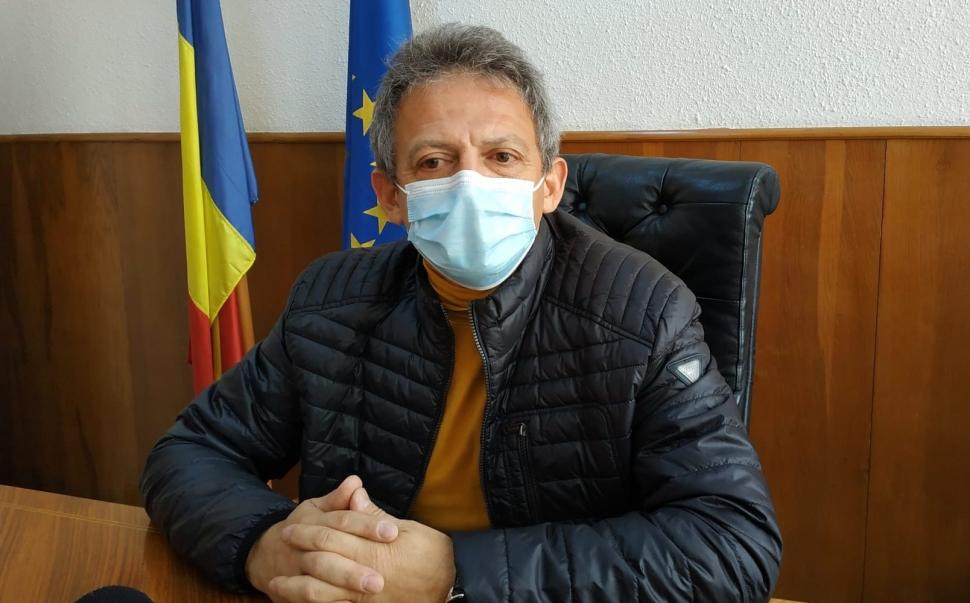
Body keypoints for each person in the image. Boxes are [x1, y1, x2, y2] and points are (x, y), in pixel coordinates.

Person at [141, 23, 782, 603]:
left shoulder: (644, 310)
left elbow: (732, 544)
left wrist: (457, 575)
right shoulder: (329, 300)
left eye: (502, 157)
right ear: (391, 196)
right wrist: (261, 544)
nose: (471, 183)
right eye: (434, 162)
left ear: (550, 186)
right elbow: (190, 453)